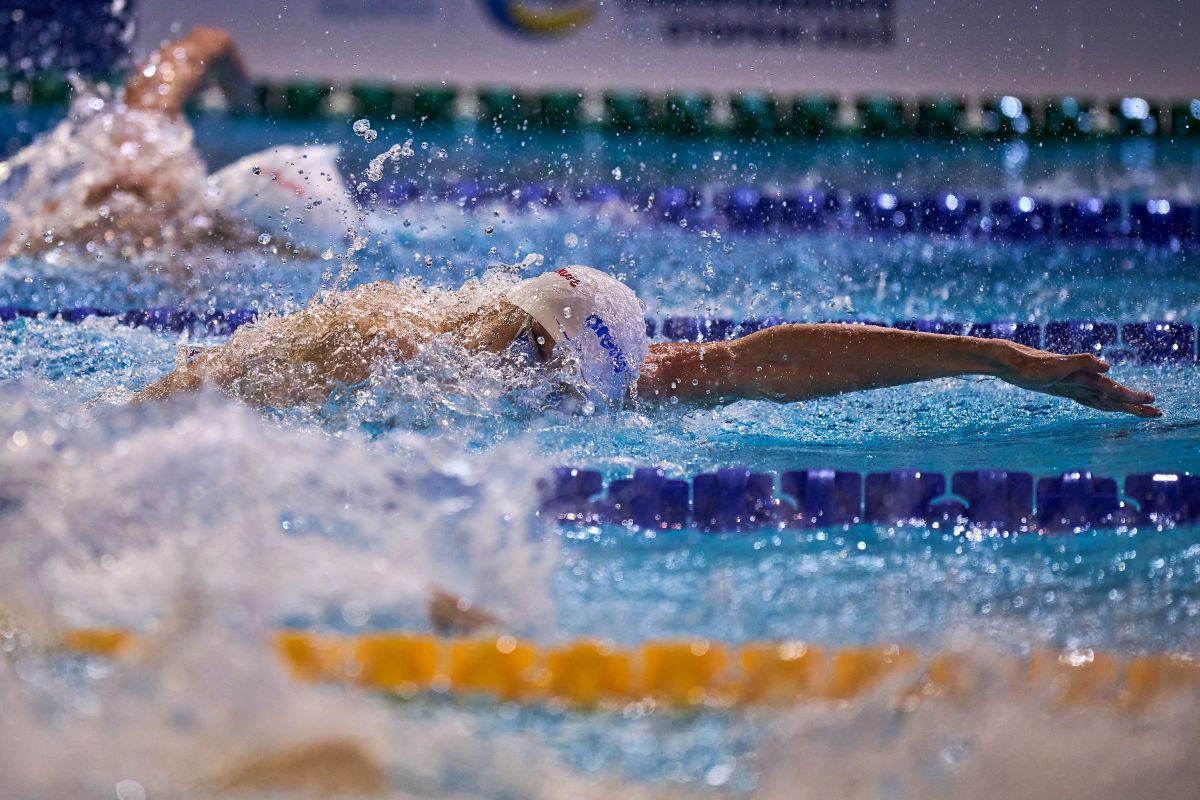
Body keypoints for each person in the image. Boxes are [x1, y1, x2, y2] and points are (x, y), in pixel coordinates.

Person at [133, 263, 1161, 418]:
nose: (533, 380)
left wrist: (991, 357)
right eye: (531, 354)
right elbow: (185, 394)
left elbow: (774, 357)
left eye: (559, 372)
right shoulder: (373, 344)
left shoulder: (611, 382)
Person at [0, 27, 353, 258]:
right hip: (158, 171)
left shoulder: (140, 101)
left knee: (43, 237)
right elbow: (216, 41)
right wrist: (245, 105)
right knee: (207, 234)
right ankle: (299, 253)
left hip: (123, 179)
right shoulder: (154, 105)